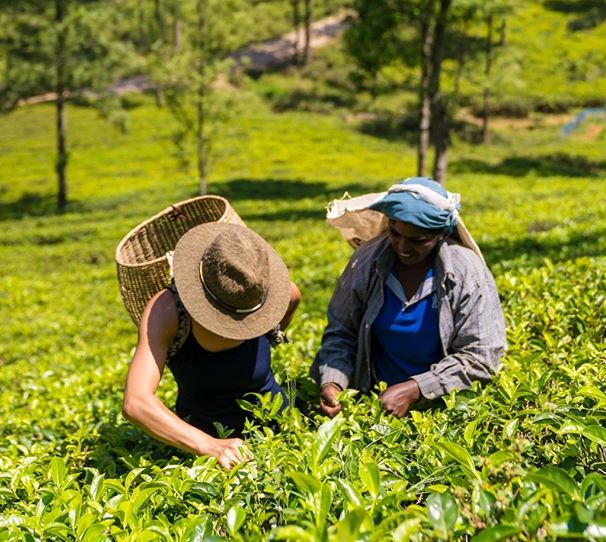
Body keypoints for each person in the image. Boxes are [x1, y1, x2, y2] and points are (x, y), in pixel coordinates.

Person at [313, 177, 506, 419]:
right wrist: (334, 383)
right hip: (375, 405)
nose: (403, 247)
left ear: (440, 235)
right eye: (395, 233)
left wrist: (417, 389)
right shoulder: (366, 262)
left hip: (446, 410)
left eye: (418, 240)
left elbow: (481, 356)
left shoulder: (466, 272)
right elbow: (342, 332)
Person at [123, 222, 301, 469]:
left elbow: (292, 299)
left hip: (280, 431)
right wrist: (210, 445)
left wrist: (268, 330)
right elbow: (137, 402)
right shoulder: (167, 311)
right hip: (203, 447)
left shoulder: (271, 294)